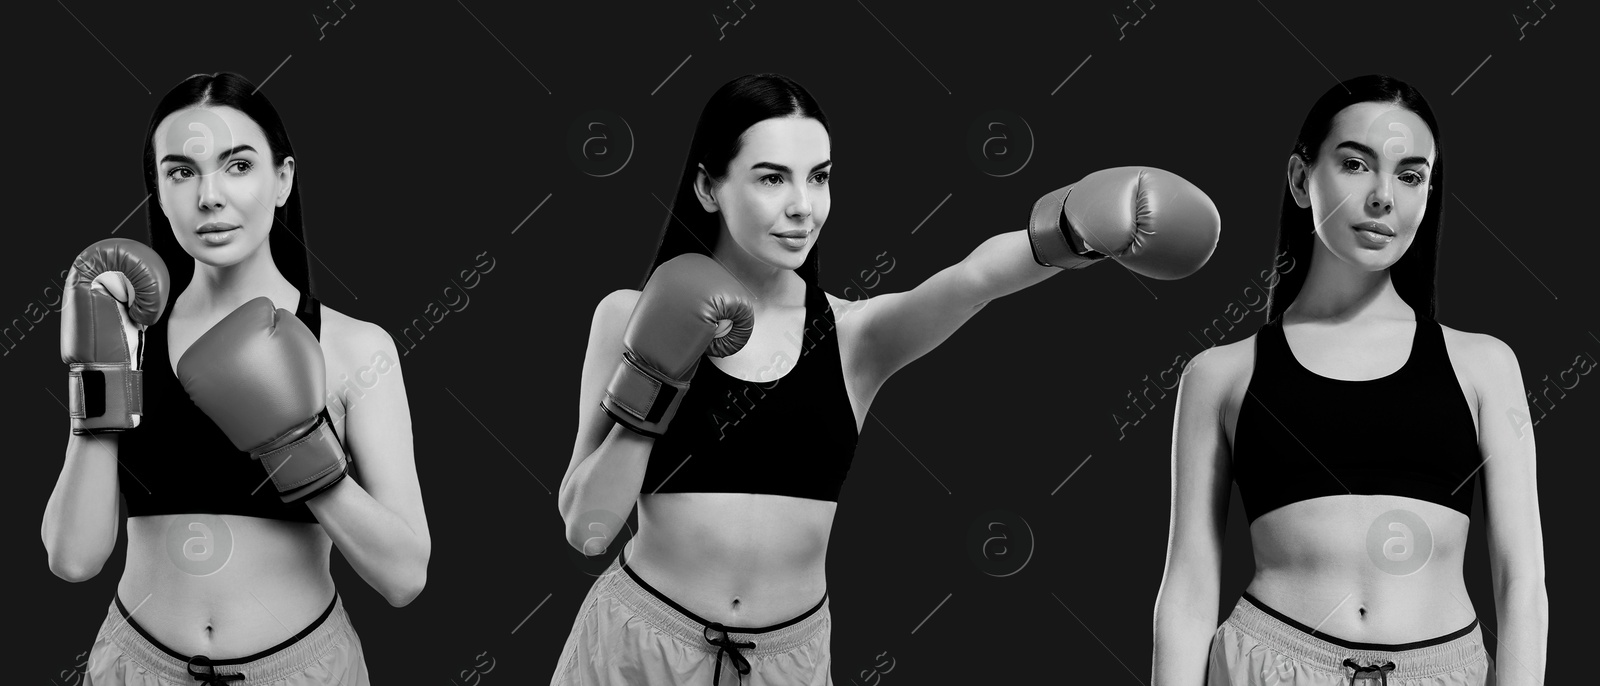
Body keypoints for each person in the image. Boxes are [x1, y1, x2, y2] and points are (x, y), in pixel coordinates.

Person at [554, 73, 1222, 685]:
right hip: (637, 643)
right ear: (708, 187)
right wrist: (656, 382)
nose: (802, 207)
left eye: (818, 177)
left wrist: (1072, 227)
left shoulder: (854, 337)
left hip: (786, 662)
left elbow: (972, 281)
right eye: (770, 178)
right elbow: (587, 525)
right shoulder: (629, 315)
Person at [1152, 74, 1548, 686]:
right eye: (1356, 165)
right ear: (1299, 180)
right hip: (1267, 664)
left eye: (1411, 175)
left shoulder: (1485, 365)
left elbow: (1522, 579)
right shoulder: (1220, 374)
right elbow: (1189, 583)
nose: (1384, 196)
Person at [43, 72, 431, 685]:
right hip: (135, 667)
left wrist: (295, 447)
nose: (210, 196)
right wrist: (103, 372)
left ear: (282, 180)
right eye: (180, 171)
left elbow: (405, 578)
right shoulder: (125, 336)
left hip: (301, 669)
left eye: (238, 165)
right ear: (159, 192)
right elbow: (73, 559)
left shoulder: (357, 347)